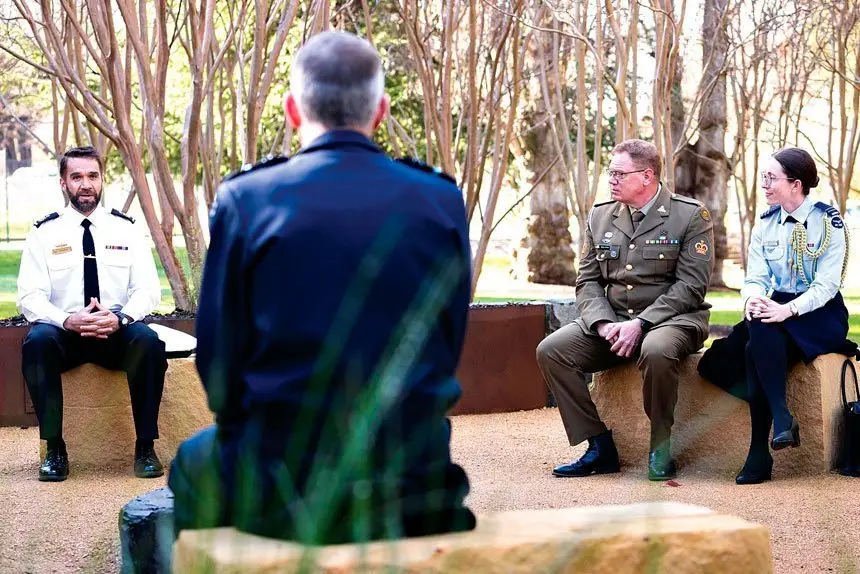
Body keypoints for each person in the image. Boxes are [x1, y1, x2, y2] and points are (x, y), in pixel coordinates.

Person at [168, 31, 476, 544]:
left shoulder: (248, 199)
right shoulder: (439, 199)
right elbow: (446, 345)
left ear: (292, 111)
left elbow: (218, 365)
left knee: (191, 464)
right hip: (412, 478)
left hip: (280, 476)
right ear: (379, 112)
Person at [536, 139, 714, 481]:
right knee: (552, 351)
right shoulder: (601, 215)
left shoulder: (689, 215)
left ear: (647, 175)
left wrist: (642, 324)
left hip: (674, 319)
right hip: (614, 321)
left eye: (619, 173)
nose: (611, 180)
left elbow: (690, 287)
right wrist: (603, 324)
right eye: (610, 172)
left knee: (657, 349)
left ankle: (661, 447)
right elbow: (587, 281)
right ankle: (599, 446)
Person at [698, 147, 853, 485]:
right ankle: (781, 416)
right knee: (714, 362)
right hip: (776, 309)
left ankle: (758, 453)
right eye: (764, 177)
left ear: (796, 184)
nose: (764, 184)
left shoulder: (830, 222)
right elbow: (755, 278)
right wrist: (753, 299)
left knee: (757, 345)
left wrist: (788, 310)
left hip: (819, 312)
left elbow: (827, 285)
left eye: (771, 178)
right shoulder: (766, 222)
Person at [17, 146, 166, 482]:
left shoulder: (125, 229)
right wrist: (67, 319)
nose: (86, 184)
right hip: (66, 334)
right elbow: (29, 296)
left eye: (92, 176)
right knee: (37, 342)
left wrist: (122, 319)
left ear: (101, 180)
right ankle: (55, 448)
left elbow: (147, 290)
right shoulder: (44, 232)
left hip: (115, 331)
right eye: (77, 177)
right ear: (63, 183)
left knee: (148, 341)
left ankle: (145, 447)